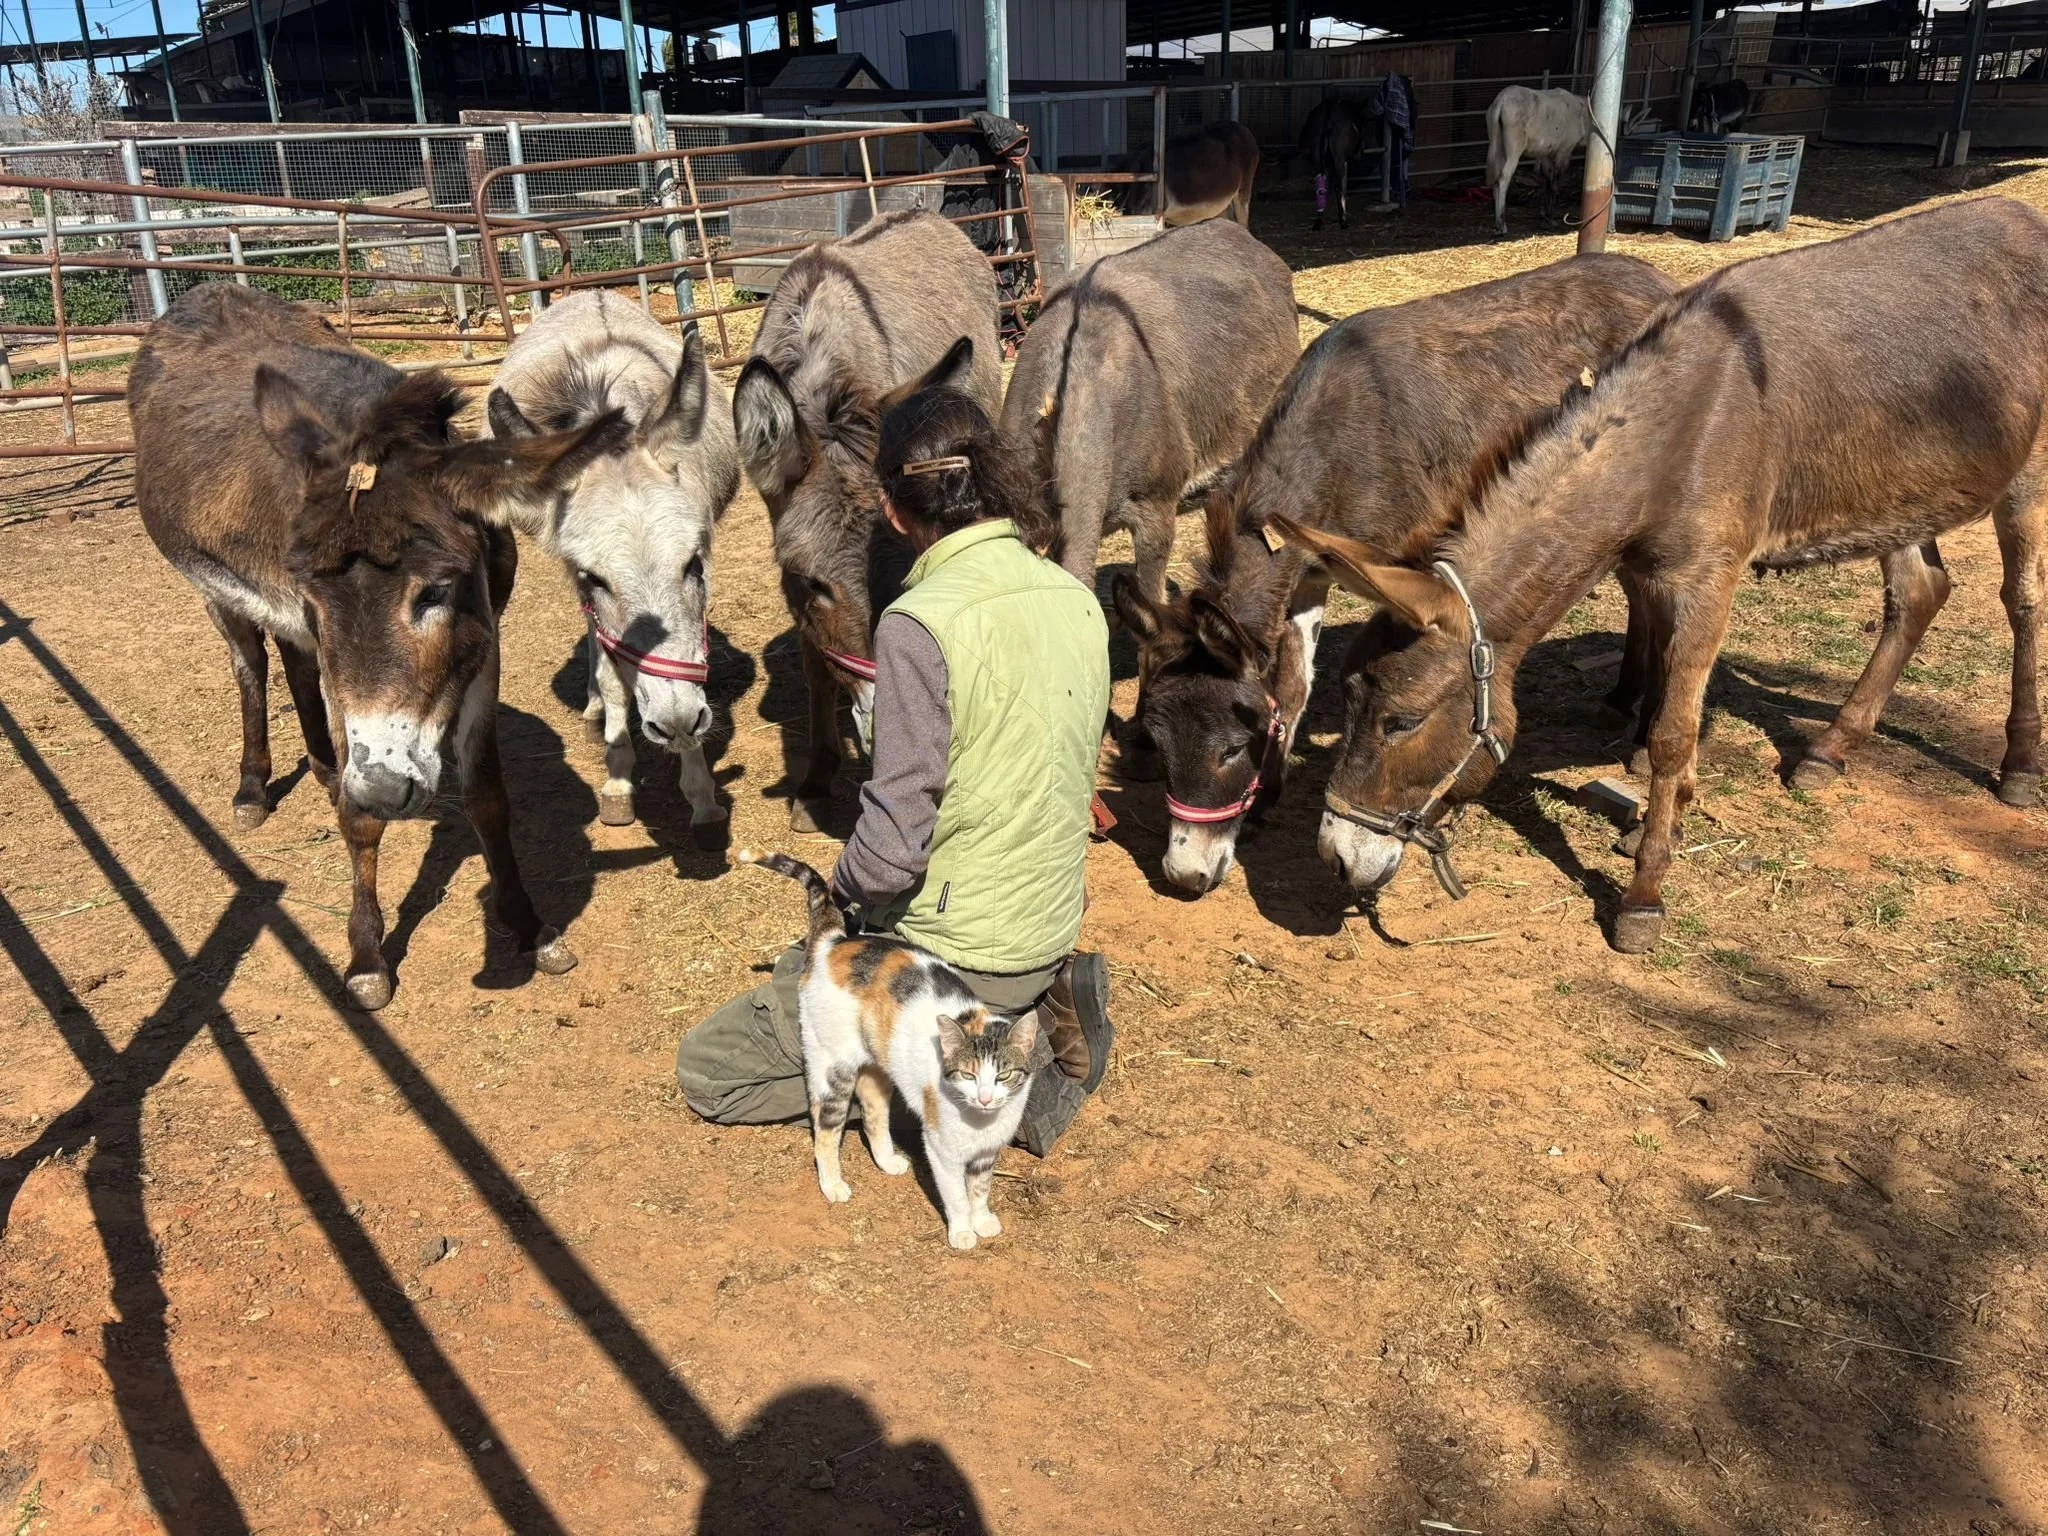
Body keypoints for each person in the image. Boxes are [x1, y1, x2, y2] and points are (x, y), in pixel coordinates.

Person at [677, 381, 1115, 1156]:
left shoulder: (919, 624)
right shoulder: (1076, 597)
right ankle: (1040, 996)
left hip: (955, 954)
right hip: (1048, 921)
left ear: (890, 510)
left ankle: (973, 1072)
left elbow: (893, 846)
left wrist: (836, 895)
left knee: (712, 1070)